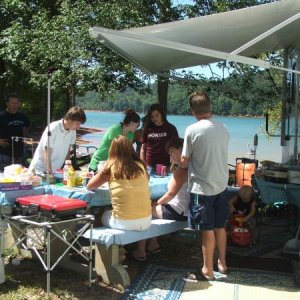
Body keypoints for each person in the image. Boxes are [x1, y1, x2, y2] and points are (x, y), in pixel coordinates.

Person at [171, 91, 229, 281]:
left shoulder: (192, 130)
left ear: (193, 110)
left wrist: (175, 159)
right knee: (220, 226)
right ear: (209, 107)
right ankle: (222, 263)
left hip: (202, 187)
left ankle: (207, 269)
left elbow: (185, 162)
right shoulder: (223, 128)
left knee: (207, 229)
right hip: (221, 184)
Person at [132, 137, 189, 261]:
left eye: (172, 152)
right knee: (151, 209)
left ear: (180, 149)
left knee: (144, 210)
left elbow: (170, 194)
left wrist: (155, 203)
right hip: (185, 210)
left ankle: (141, 250)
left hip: (177, 210)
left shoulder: (182, 170)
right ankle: (153, 244)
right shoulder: (190, 166)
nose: (170, 155)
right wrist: (174, 164)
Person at [86, 135, 152, 231]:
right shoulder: (140, 165)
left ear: (112, 150)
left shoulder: (111, 166)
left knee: (98, 216)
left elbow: (90, 186)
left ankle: (93, 241)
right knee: (111, 211)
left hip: (124, 222)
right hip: (146, 220)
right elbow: (147, 178)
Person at [29, 106, 86, 175]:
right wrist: (49, 172)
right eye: (77, 123)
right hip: (39, 169)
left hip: (55, 171)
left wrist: (69, 168)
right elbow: (46, 151)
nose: (78, 127)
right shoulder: (53, 128)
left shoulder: (72, 131)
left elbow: (69, 151)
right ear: (70, 120)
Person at [140, 104, 178, 169]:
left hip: (166, 166)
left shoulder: (171, 128)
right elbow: (143, 149)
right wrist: (143, 165)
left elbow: (176, 148)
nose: (154, 118)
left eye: (157, 115)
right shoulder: (148, 129)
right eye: (152, 117)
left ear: (162, 114)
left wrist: (174, 164)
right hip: (149, 166)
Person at [0, 93, 30, 170]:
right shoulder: (1, 116)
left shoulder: (22, 116)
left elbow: (27, 126)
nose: (15, 105)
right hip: (4, 153)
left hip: (20, 153)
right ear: (7, 103)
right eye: (13, 103)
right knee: (5, 178)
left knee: (19, 177)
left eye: (17, 103)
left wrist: (24, 138)